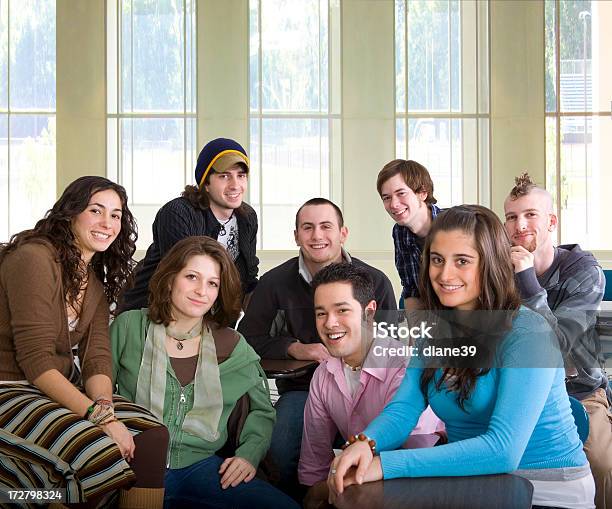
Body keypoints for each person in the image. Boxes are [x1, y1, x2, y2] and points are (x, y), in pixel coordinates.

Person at [330, 205, 595, 509]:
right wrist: (365, 443)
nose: (445, 274)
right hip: (472, 484)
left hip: (547, 491)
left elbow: (503, 450)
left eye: (463, 261)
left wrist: (386, 465)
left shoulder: (529, 331)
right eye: (437, 260)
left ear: (490, 264)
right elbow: (404, 408)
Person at [0, 176, 168, 507]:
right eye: (96, 210)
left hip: (55, 384)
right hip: (10, 385)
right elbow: (36, 361)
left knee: (152, 437)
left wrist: (104, 405)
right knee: (97, 450)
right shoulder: (34, 259)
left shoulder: (92, 281)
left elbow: (97, 358)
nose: (108, 223)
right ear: (70, 213)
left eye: (116, 215)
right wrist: (102, 420)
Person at [111, 236, 299, 509]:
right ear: (170, 278)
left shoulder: (233, 345)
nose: (202, 290)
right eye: (191, 277)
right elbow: (97, 388)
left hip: (199, 468)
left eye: (212, 283)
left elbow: (262, 410)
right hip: (131, 463)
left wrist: (248, 455)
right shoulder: (129, 326)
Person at [238, 197, 397, 496]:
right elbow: (246, 340)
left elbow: (393, 346)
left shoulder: (375, 281)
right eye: (307, 228)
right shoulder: (273, 284)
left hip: (370, 388)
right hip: (304, 388)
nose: (317, 235)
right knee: (281, 450)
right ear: (296, 235)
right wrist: (295, 348)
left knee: (383, 451)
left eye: (326, 226)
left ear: (343, 233)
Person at [504, 173, 611, 508]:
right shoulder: (498, 272)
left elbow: (561, 346)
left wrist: (526, 280)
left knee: (601, 465)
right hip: (519, 393)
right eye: (511, 217)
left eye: (530, 214)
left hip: (577, 392)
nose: (519, 225)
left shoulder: (582, 269)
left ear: (551, 221)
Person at [298, 263, 442, 508]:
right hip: (353, 483)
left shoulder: (403, 367)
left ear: (369, 311)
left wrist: (324, 489)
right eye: (321, 313)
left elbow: (416, 462)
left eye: (342, 310)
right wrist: (315, 493)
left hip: (419, 486)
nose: (330, 323)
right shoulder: (323, 375)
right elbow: (314, 463)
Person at [119, 137, 258, 312]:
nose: (235, 185)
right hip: (151, 312)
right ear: (205, 183)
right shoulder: (178, 213)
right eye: (224, 176)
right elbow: (184, 278)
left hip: (206, 316)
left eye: (241, 176)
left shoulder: (247, 217)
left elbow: (248, 277)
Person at [377, 159, 441, 310]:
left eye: (401, 193)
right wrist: (416, 332)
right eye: (386, 197)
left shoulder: (455, 223)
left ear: (422, 193)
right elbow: (411, 289)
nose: (393, 204)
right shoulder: (399, 232)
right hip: (425, 305)